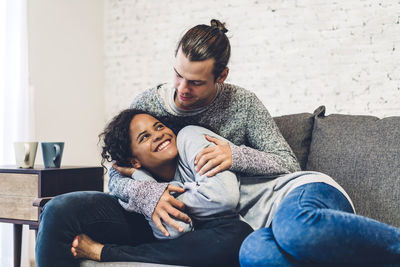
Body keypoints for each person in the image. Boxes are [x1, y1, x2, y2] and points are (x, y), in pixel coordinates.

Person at [68, 109, 253, 265]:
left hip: (257, 219)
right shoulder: (147, 189)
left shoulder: (190, 138)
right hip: (223, 234)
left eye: (159, 127)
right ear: (134, 161)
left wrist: (165, 197)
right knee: (228, 237)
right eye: (145, 137)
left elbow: (223, 198)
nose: (158, 135)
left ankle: (109, 253)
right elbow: (175, 231)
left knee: (237, 234)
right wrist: (143, 182)